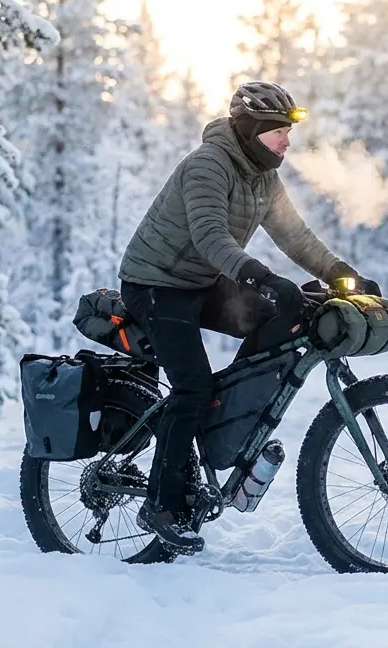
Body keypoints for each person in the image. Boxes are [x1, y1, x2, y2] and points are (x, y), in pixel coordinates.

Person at [117, 81, 359, 553]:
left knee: (282, 319)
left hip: (201, 281)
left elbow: (295, 235)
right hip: (156, 284)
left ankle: (224, 420)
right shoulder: (208, 165)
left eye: (289, 132)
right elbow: (210, 237)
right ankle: (162, 503)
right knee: (192, 385)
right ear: (251, 131)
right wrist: (261, 276)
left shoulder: (263, 174)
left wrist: (340, 272)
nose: (287, 141)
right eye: (278, 132)